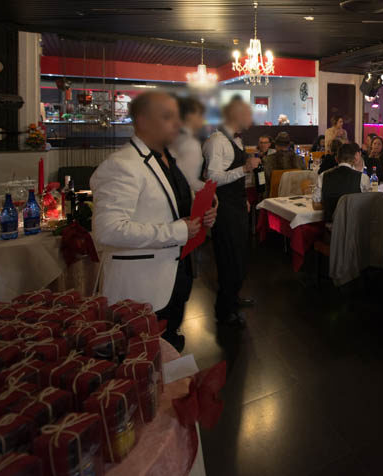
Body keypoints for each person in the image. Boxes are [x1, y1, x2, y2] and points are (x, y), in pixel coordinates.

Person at [91, 91, 217, 352]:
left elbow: (177, 207)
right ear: (143, 121)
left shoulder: (168, 160)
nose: (177, 124)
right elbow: (107, 229)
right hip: (142, 286)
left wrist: (204, 215)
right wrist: (176, 231)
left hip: (176, 273)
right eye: (167, 117)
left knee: (169, 347)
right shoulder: (123, 164)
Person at [203, 96, 260, 328]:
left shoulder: (236, 141)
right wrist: (244, 168)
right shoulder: (218, 140)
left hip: (236, 204)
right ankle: (224, 310)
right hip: (223, 208)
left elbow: (235, 178)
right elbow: (212, 177)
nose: (250, 116)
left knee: (239, 256)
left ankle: (233, 298)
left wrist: (244, 199)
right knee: (228, 257)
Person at [316, 142, 370, 223]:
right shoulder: (362, 178)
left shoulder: (323, 176)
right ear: (354, 159)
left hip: (331, 229)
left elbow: (315, 205)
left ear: (336, 159)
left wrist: (332, 204)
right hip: (355, 228)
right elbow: (368, 203)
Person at [171, 96, 206, 192]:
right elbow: (188, 181)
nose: (203, 119)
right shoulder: (190, 143)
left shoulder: (172, 136)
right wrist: (207, 188)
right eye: (200, 115)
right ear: (190, 115)